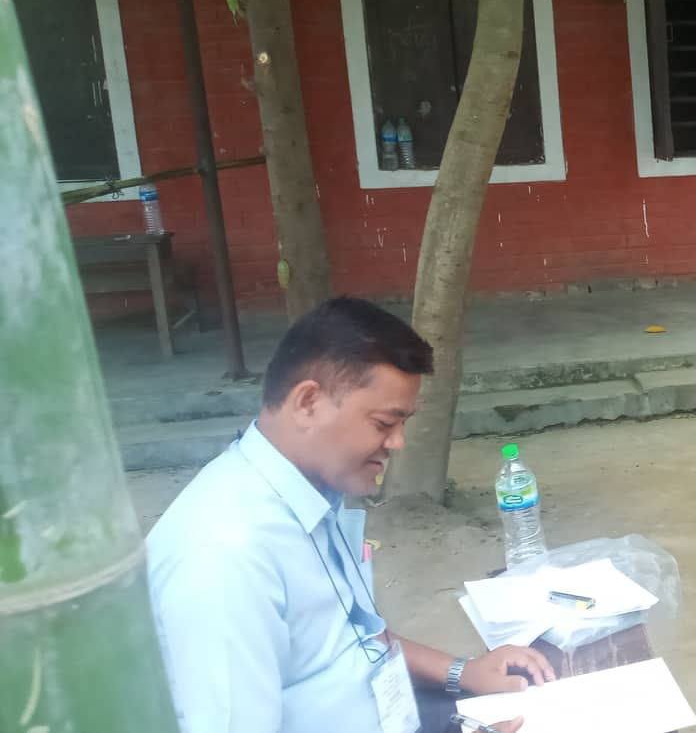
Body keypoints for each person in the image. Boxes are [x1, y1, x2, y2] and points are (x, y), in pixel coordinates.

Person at [146, 298, 556, 733]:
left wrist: (464, 672)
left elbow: (358, 636)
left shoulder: (309, 492)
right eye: (383, 423)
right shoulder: (225, 559)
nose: (397, 443)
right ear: (308, 402)